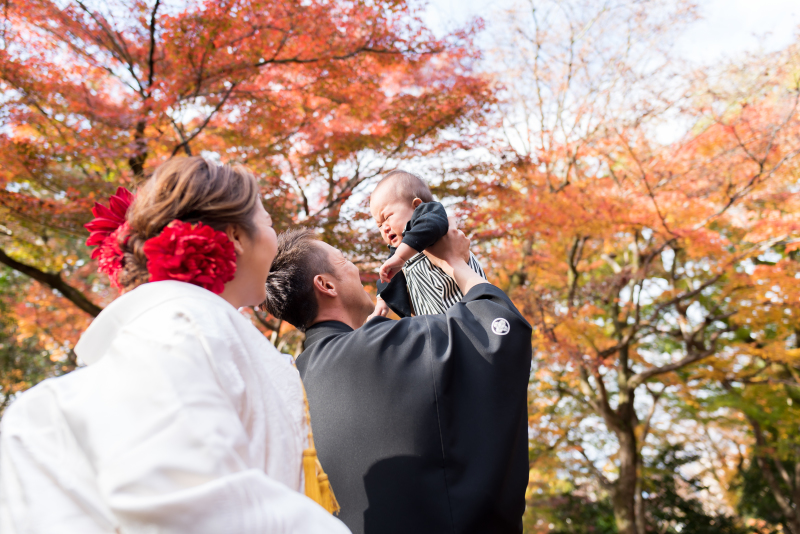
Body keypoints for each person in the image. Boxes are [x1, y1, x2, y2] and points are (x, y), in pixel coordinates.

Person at [0, 157, 349, 534]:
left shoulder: (197, 323)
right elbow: (186, 496)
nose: (274, 234)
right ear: (234, 236)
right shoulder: (182, 324)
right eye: (266, 221)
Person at [264, 223, 533, 534]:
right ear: (326, 284)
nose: (353, 268)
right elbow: (500, 329)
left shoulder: (290, 386)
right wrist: (457, 262)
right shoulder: (379, 347)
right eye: (343, 260)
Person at [370, 169, 487, 318]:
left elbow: (430, 225)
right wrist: (381, 301)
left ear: (417, 206)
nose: (384, 228)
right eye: (379, 225)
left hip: (468, 306)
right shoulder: (398, 251)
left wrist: (400, 257)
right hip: (437, 324)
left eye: (387, 217)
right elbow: (388, 277)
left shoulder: (431, 219)